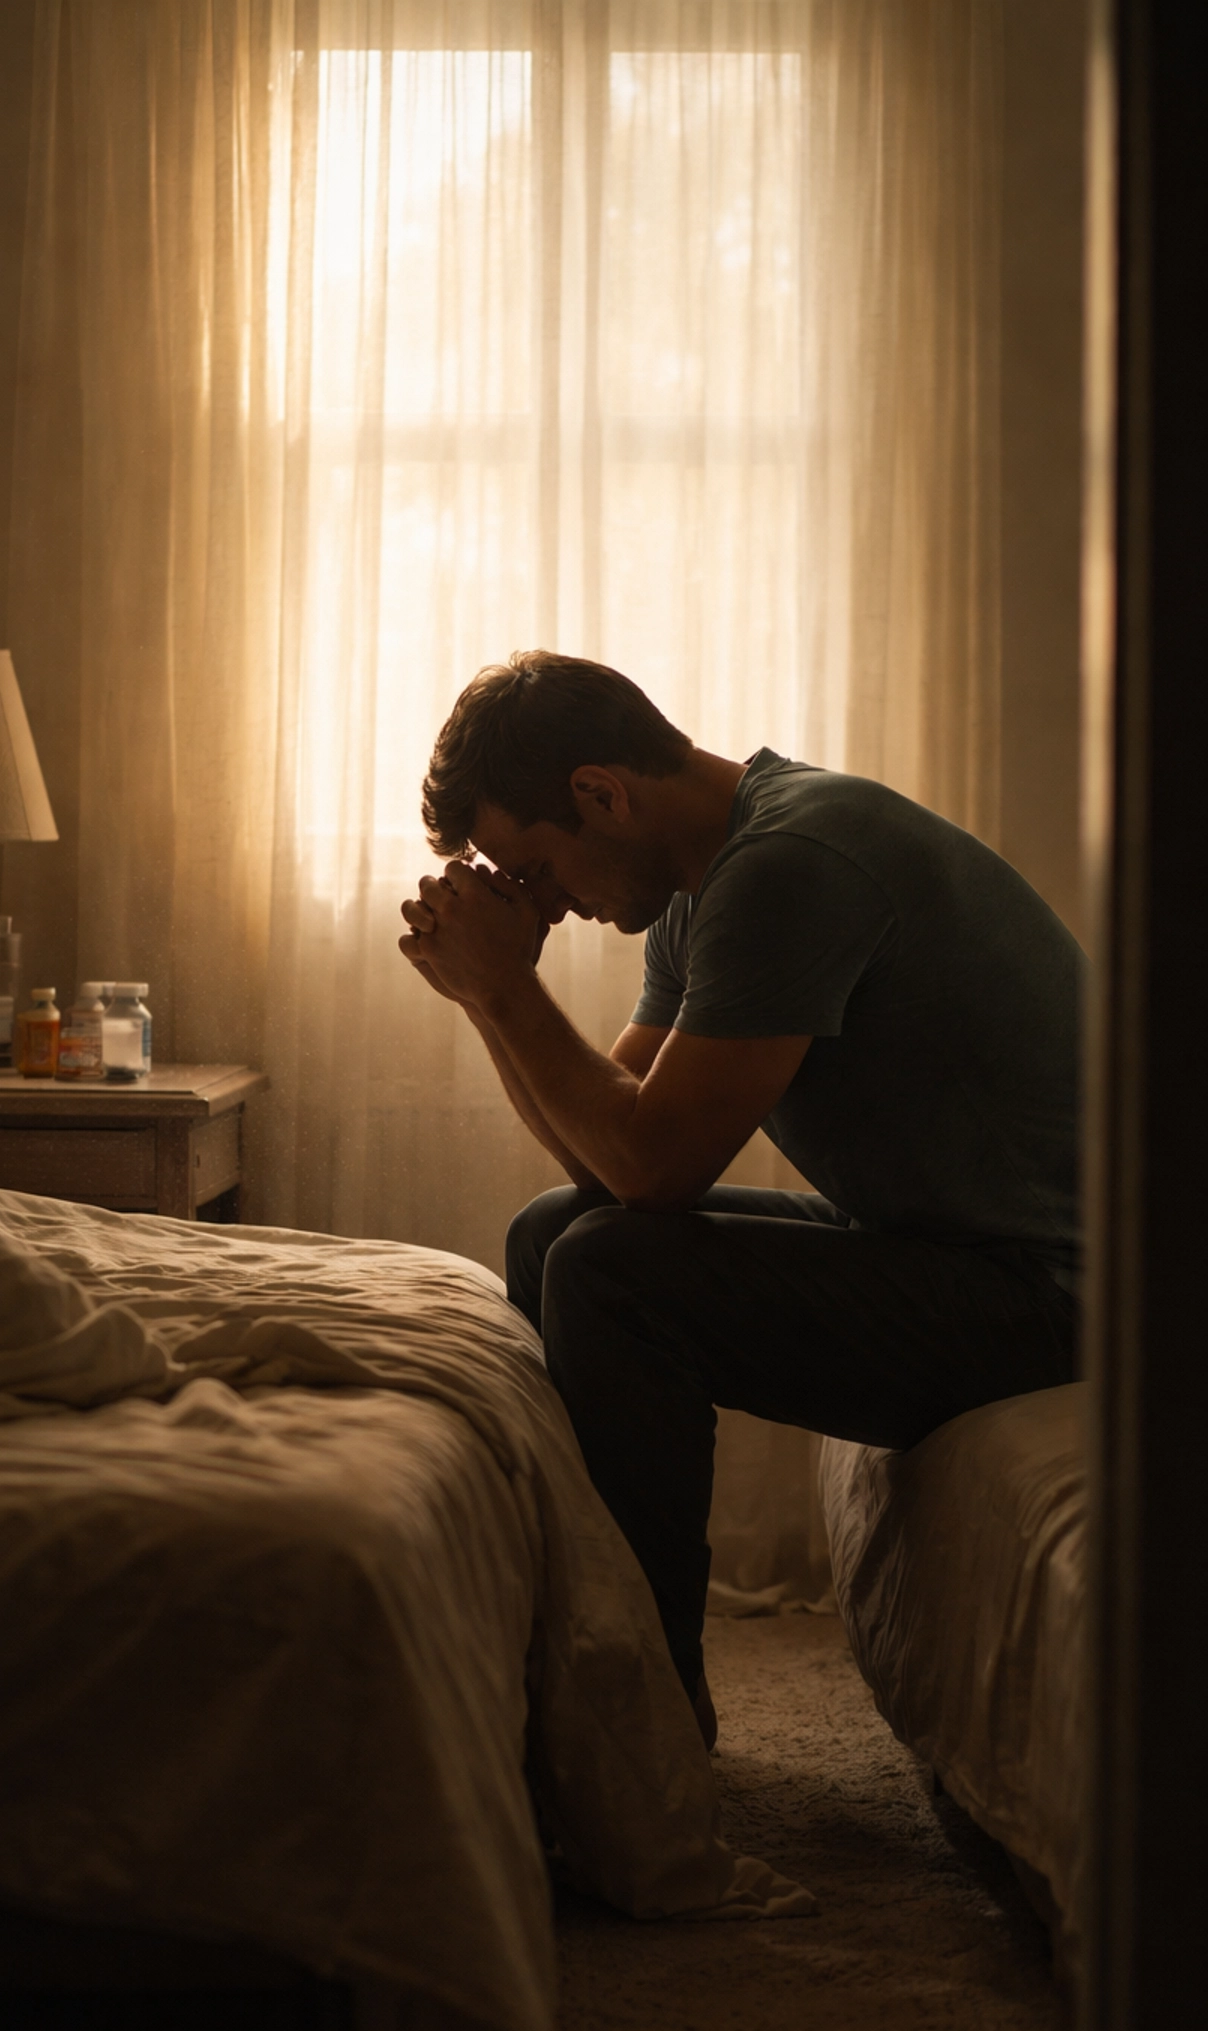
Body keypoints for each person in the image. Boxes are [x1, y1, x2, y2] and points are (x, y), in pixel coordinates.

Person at [397, 651, 1081, 1751]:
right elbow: (602, 1168)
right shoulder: (706, 885)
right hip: (949, 1249)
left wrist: (505, 986)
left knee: (609, 1275)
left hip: (1056, 1291)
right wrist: (491, 996)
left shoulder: (792, 865)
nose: (548, 906)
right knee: (558, 1231)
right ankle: (595, 1652)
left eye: (535, 867)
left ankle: (644, 1724)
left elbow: (657, 1168)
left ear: (600, 795)